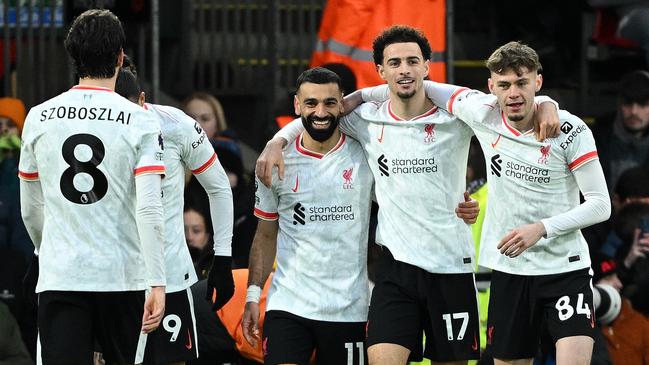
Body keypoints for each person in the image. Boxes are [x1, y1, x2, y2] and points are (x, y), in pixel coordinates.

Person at [256, 26, 559, 365]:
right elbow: (319, 114)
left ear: (426, 66)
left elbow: (509, 98)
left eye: (412, 61)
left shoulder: (456, 117)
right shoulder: (365, 119)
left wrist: (547, 102)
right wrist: (277, 142)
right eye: (395, 63)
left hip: (450, 268)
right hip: (395, 270)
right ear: (381, 71)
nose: (404, 69)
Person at [393, 41, 611, 365]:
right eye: (505, 84)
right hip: (511, 270)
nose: (514, 93)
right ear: (491, 87)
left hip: (566, 268)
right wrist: (287, 135)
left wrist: (542, 229)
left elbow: (600, 204)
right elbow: (412, 88)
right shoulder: (482, 113)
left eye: (522, 83)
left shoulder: (570, 130)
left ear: (537, 82)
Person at [18, 9, 166, 365]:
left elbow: (30, 208)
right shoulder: (140, 121)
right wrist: (157, 282)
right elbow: (148, 208)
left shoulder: (38, 116)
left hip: (61, 274)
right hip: (122, 277)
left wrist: (47, 248)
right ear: (119, 58)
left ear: (74, 57)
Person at [242, 67, 375, 365]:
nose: (320, 112)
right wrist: (253, 295)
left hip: (349, 308)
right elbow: (265, 234)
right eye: (311, 103)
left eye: (329, 103)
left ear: (342, 103)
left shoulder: (364, 156)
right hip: (289, 306)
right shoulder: (274, 163)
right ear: (297, 106)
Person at [115, 59, 235, 365]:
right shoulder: (89, 127)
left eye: (129, 111)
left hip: (170, 275)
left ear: (142, 99)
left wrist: (222, 255)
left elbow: (219, 187)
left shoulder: (176, 125)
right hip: (113, 276)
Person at [591, 69, 649, 193]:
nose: (634, 111)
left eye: (642, 104)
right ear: (619, 104)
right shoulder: (598, 137)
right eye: (628, 103)